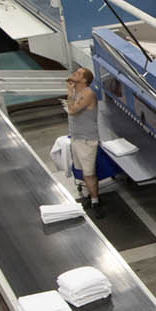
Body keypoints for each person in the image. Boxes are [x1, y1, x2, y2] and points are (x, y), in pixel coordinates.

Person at [64, 66, 102, 209]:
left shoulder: (88, 94)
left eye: (78, 73)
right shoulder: (77, 92)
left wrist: (69, 92)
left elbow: (72, 110)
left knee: (89, 173)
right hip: (76, 138)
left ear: (85, 80)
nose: (74, 73)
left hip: (86, 140)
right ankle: (90, 196)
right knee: (83, 172)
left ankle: (95, 201)